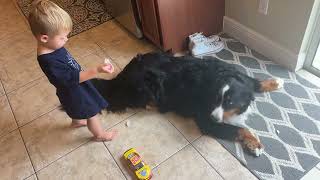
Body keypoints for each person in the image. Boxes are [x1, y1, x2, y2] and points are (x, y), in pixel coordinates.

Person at [28, 0, 117, 141]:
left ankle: (76, 122)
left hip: (73, 89)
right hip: (74, 91)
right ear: (44, 38)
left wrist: (60, 40)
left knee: (77, 107)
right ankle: (100, 135)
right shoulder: (48, 60)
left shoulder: (52, 46)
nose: (66, 40)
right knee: (92, 113)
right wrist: (97, 69)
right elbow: (72, 79)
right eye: (62, 37)